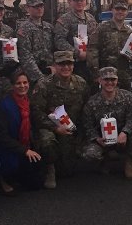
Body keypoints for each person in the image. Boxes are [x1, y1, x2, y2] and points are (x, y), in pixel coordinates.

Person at [30, 51, 89, 189]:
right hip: (50, 128)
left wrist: (81, 134)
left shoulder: (81, 83)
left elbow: (86, 110)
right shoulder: (44, 84)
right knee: (47, 141)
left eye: (69, 64)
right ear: (55, 66)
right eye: (61, 64)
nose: (66, 67)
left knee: (67, 172)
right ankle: (50, 169)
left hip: (71, 129)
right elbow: (36, 112)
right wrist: (55, 128)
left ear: (73, 66)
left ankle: (64, 159)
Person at [81, 67, 132, 180]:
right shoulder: (92, 102)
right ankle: (104, 159)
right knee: (90, 154)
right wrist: (97, 139)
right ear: (100, 81)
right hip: (103, 139)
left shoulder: (127, 97)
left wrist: (125, 132)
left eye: (113, 79)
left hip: (123, 137)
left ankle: (129, 162)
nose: (110, 82)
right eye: (106, 79)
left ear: (117, 80)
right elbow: (88, 126)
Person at [0, 70, 44, 195]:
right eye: (18, 83)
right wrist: (24, 150)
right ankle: (2, 176)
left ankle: (18, 174)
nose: (22, 86)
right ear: (12, 85)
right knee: (13, 168)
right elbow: (1, 136)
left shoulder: (28, 100)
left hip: (25, 144)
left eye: (25, 82)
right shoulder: (4, 105)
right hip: (8, 148)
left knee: (36, 184)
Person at [87, 0, 132, 90]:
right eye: (117, 9)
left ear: (127, 12)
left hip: (123, 75)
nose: (120, 12)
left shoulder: (130, 33)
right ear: (112, 10)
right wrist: (96, 73)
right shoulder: (102, 29)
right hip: (106, 75)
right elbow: (92, 50)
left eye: (123, 9)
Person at [54, 0, 97, 83]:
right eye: (76, 0)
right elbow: (59, 41)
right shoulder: (64, 20)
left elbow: (95, 39)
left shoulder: (91, 19)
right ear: (70, 0)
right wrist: (76, 53)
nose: (79, 2)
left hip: (90, 64)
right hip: (73, 65)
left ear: (85, 0)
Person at [17, 0, 55, 85]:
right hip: (33, 76)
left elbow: (55, 49)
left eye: (41, 6)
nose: (39, 9)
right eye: (36, 7)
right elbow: (25, 56)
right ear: (28, 8)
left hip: (51, 72)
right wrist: (39, 78)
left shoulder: (49, 27)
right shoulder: (24, 29)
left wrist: (55, 67)